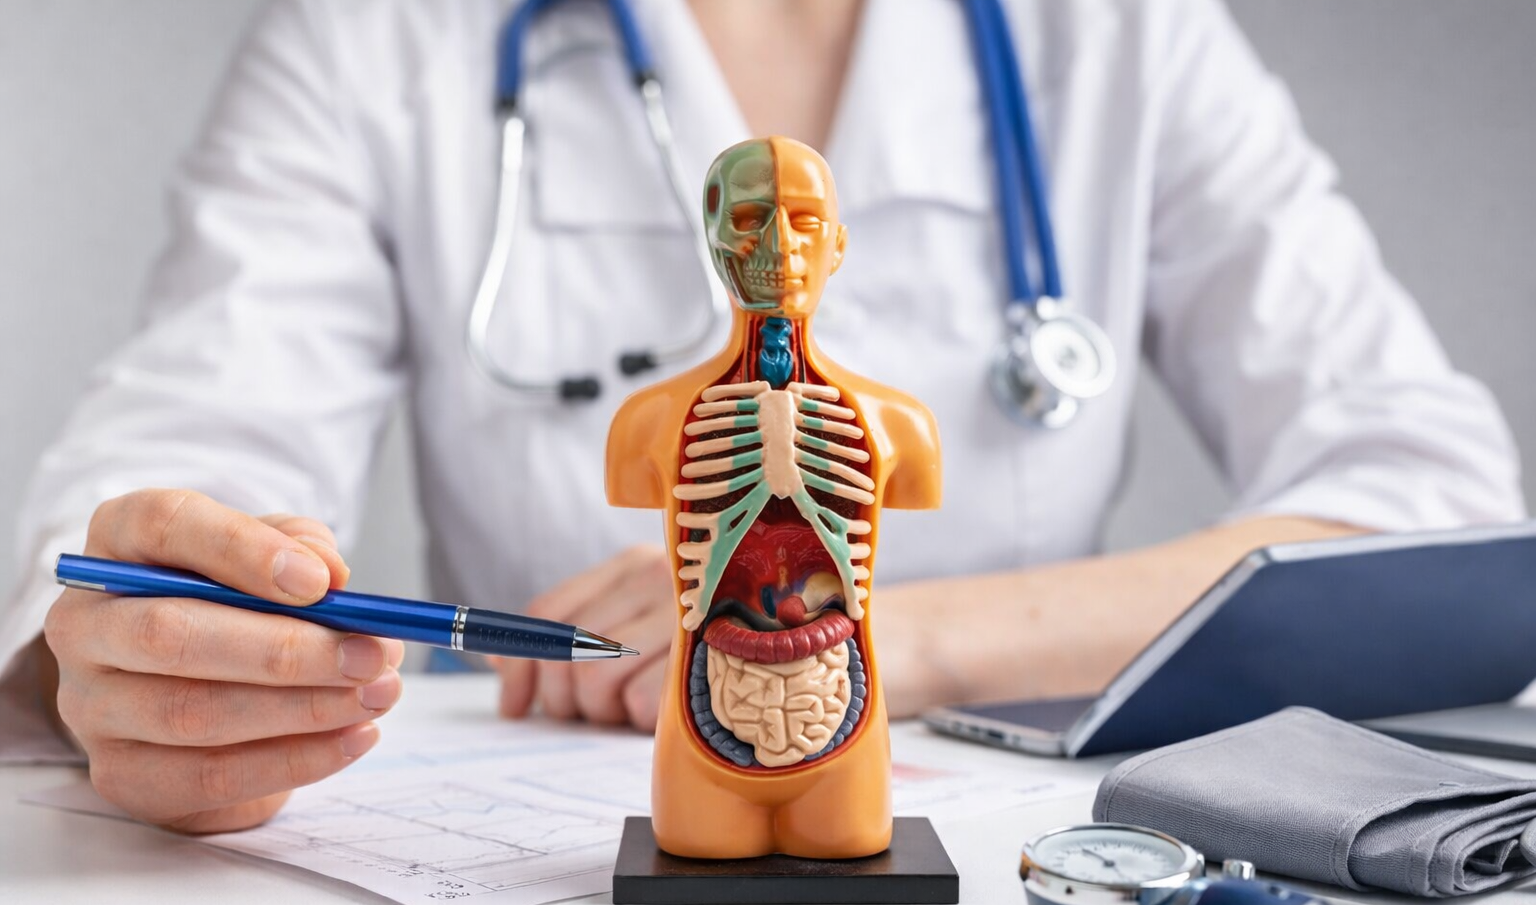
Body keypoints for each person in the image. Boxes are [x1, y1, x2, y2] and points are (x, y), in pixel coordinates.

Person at [0, 0, 1521, 834]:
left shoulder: (1122, 36)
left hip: (966, 865)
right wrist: (174, 646)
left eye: (804, 219)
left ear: (831, 244)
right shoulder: (381, 38)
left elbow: (1439, 508)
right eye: (752, 217)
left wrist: (907, 632)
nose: (778, 243)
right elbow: (204, 432)